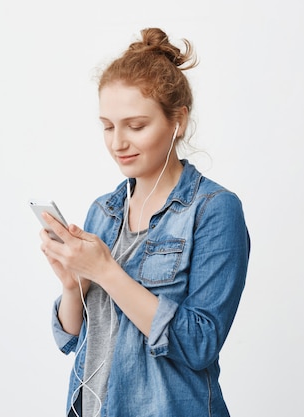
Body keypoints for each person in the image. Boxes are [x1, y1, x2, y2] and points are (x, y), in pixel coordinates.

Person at [38, 27, 250, 417]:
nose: (118, 142)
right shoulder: (103, 211)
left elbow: (200, 344)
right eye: (107, 125)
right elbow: (72, 339)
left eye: (136, 126)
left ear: (177, 122)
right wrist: (72, 285)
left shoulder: (214, 210)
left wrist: (106, 271)